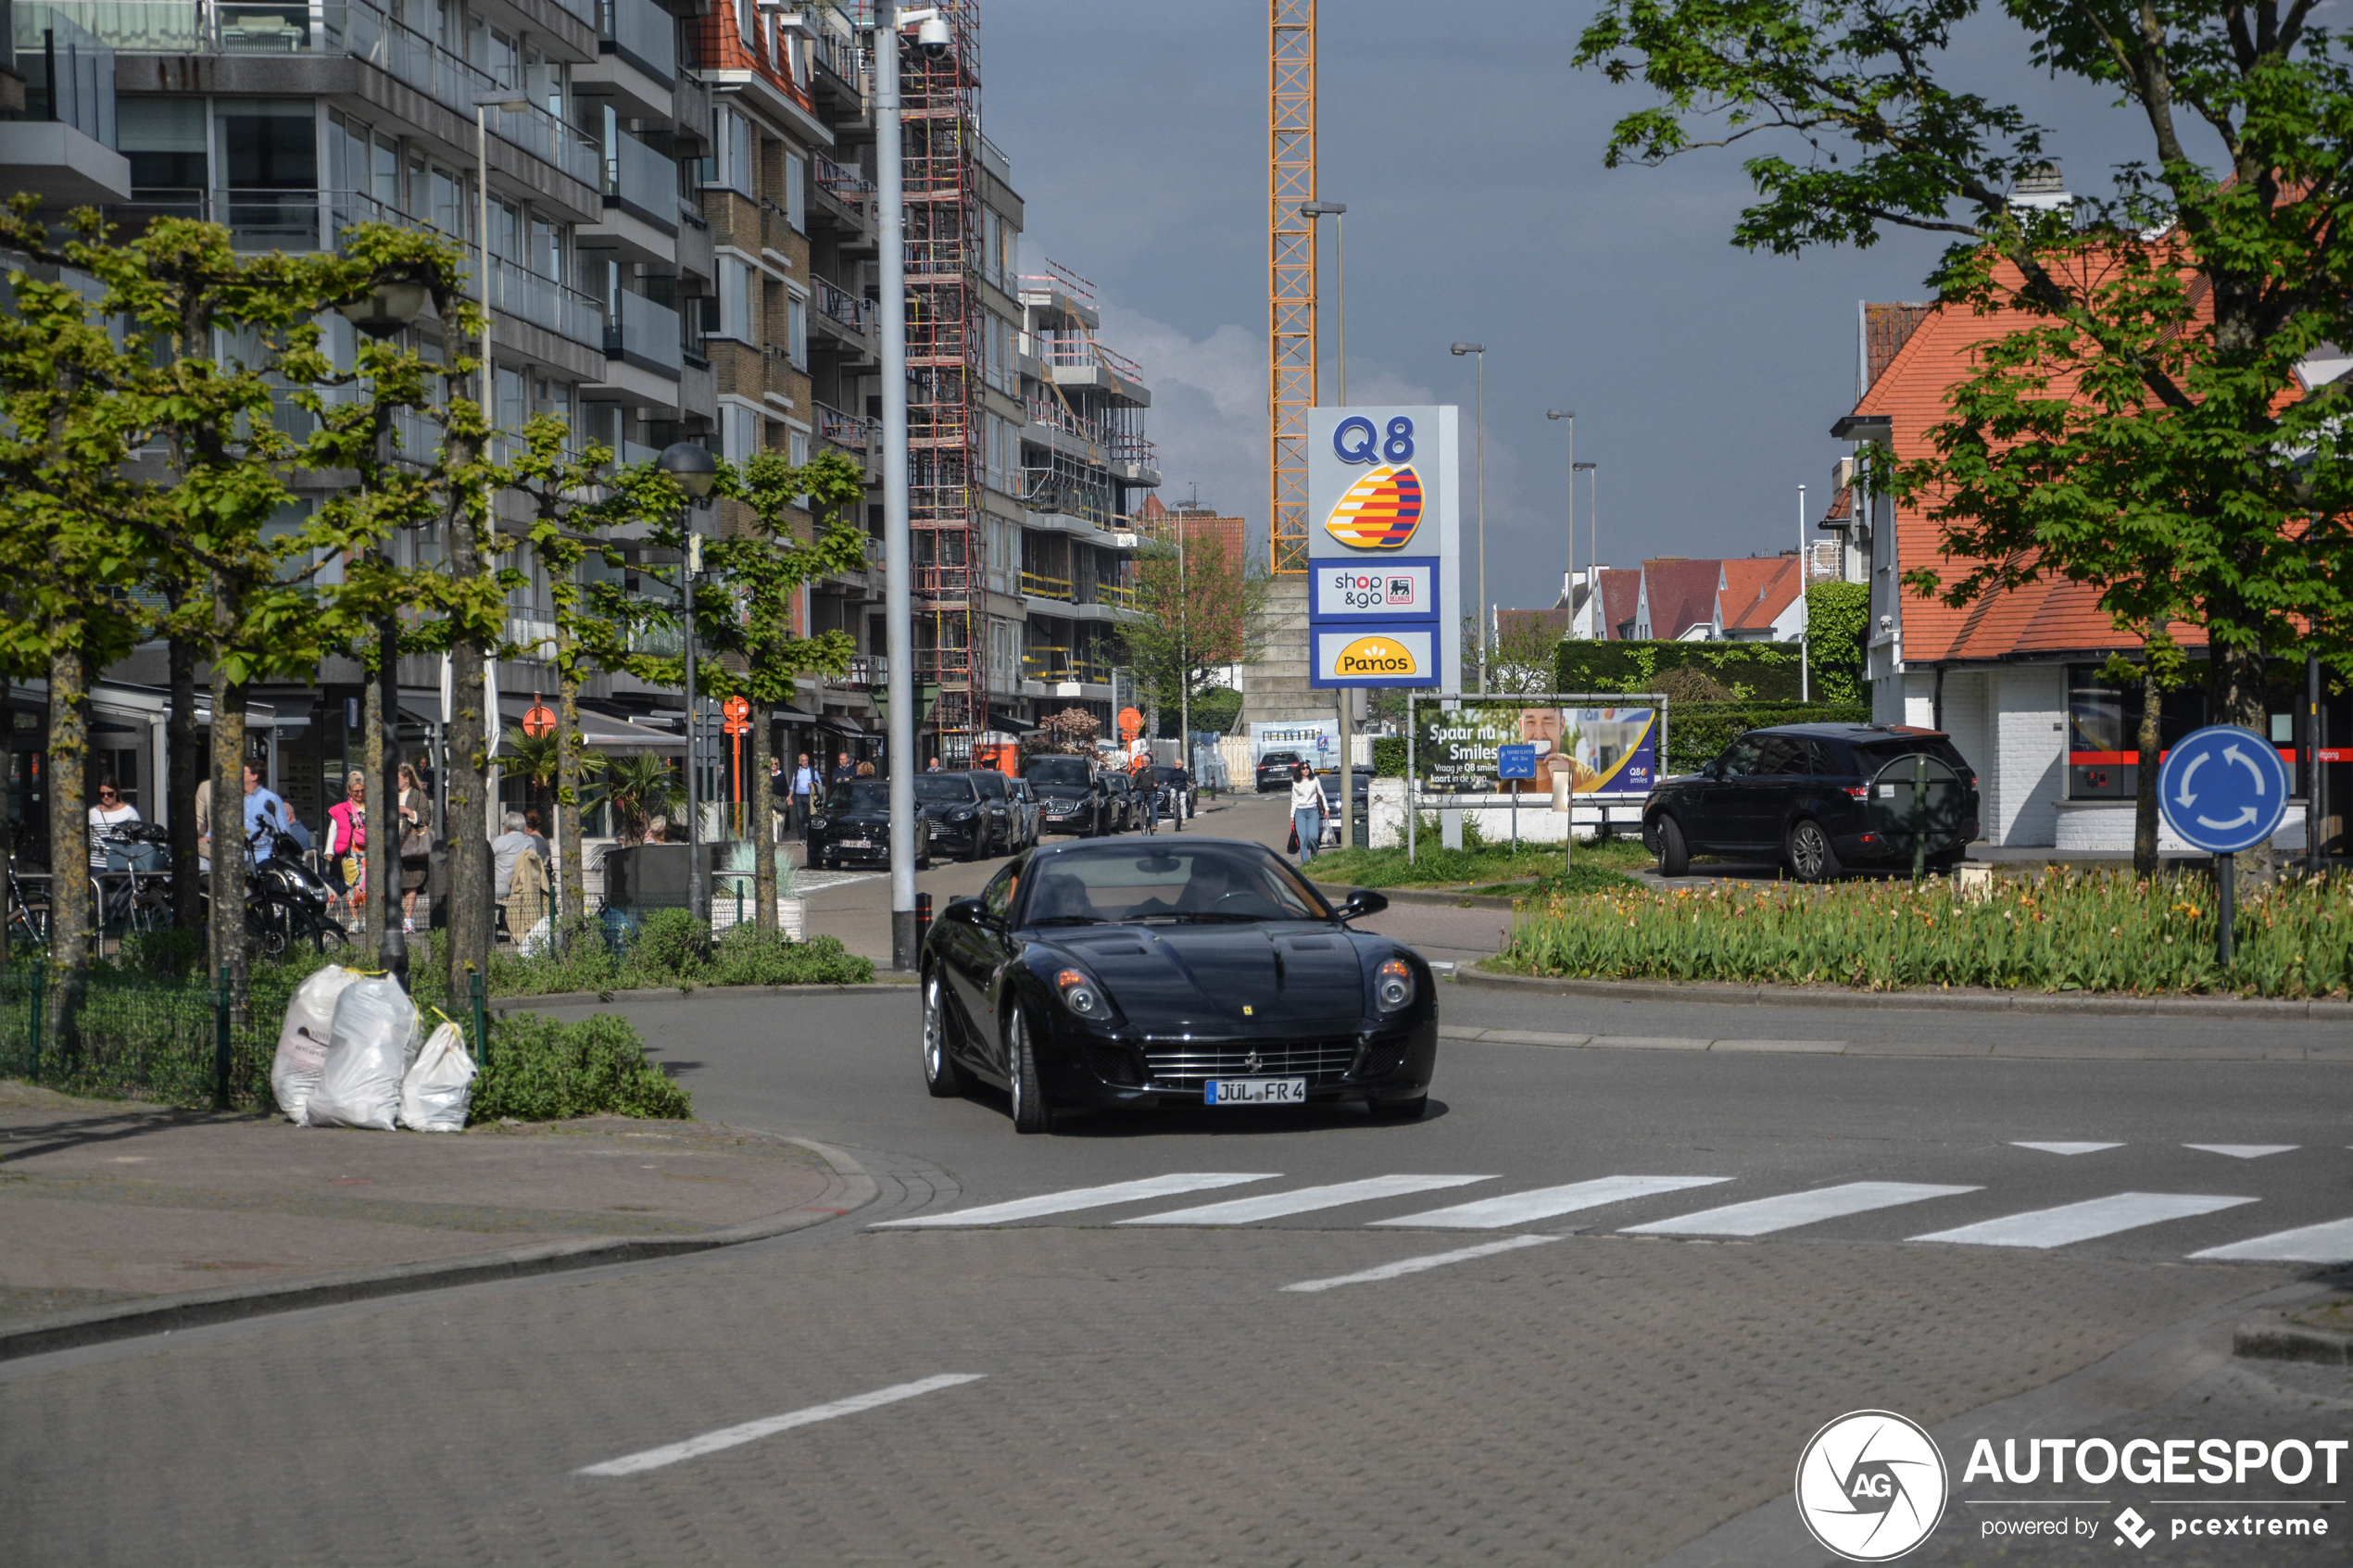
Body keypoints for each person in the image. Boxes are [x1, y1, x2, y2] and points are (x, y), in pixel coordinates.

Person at [396, 763, 431, 932]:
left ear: (406, 778)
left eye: (397, 778)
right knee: (391, 883)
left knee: (411, 882)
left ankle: (408, 920)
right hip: (390, 845)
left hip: (411, 846)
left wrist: (409, 813)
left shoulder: (418, 796)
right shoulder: (388, 795)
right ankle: (394, 916)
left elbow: (426, 818)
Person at [326, 771, 366, 914]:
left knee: (366, 885)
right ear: (349, 791)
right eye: (356, 792)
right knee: (351, 884)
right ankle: (355, 918)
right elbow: (333, 830)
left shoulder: (371, 808)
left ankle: (368, 920)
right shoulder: (341, 809)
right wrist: (329, 850)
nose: (360, 794)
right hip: (349, 851)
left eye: (362, 791)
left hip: (368, 851)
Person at [87, 777, 140, 869]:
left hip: (122, 861)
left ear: (116, 792)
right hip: (98, 862)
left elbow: (139, 837)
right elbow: (89, 838)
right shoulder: (92, 813)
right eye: (102, 794)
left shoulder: (128, 812)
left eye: (110, 794)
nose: (106, 797)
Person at [241, 762, 285, 863]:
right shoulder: (235, 799)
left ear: (254, 776)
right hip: (238, 855)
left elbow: (282, 829)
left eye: (243, 772)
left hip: (263, 855)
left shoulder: (270, 799)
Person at [491, 811, 537, 901]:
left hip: (501, 891)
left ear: (507, 827)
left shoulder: (499, 841)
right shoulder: (530, 842)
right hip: (524, 891)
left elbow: (488, 861)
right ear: (524, 826)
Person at [1288, 762, 1327, 865]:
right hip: (1300, 812)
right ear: (1299, 770)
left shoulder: (1314, 780)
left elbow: (1322, 795)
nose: (1306, 770)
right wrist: (1292, 815)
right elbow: (1294, 800)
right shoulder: (1296, 783)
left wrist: (1326, 809)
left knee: (1313, 837)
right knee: (1303, 839)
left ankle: (1314, 855)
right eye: (1303, 768)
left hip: (1312, 811)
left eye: (1307, 768)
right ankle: (1305, 863)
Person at [791, 751, 818, 840]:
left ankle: (811, 836)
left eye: (807, 760)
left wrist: (813, 785)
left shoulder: (813, 771)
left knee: (811, 817)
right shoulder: (796, 772)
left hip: (809, 796)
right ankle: (802, 838)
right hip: (799, 796)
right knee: (800, 817)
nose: (806, 762)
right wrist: (789, 797)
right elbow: (792, 785)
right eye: (803, 760)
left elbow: (819, 784)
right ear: (800, 762)